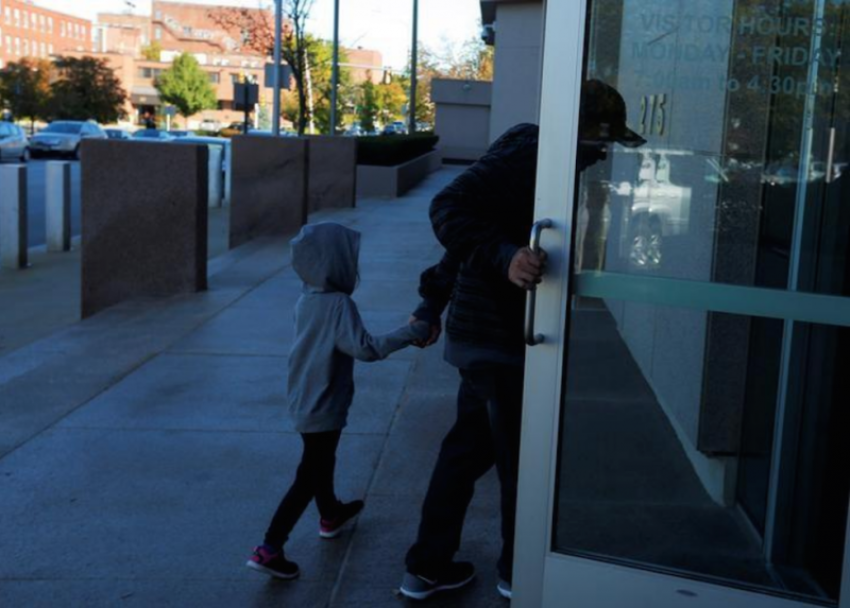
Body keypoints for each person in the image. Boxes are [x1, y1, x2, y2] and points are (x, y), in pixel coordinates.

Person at [400, 80, 645, 601]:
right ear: (577, 132)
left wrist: (431, 301)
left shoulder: (534, 152)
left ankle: (425, 568)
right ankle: (518, 572)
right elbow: (451, 207)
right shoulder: (534, 153)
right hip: (500, 341)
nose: (602, 156)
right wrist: (508, 255)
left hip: (487, 341)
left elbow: (468, 234)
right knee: (521, 461)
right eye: (600, 143)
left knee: (467, 452)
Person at [246, 222, 430, 580]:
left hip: (304, 398)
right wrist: (413, 332)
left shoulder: (307, 298)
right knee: (309, 474)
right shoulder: (338, 303)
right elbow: (366, 349)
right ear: (336, 262)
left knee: (320, 460)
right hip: (324, 402)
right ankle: (269, 547)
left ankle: (330, 514)